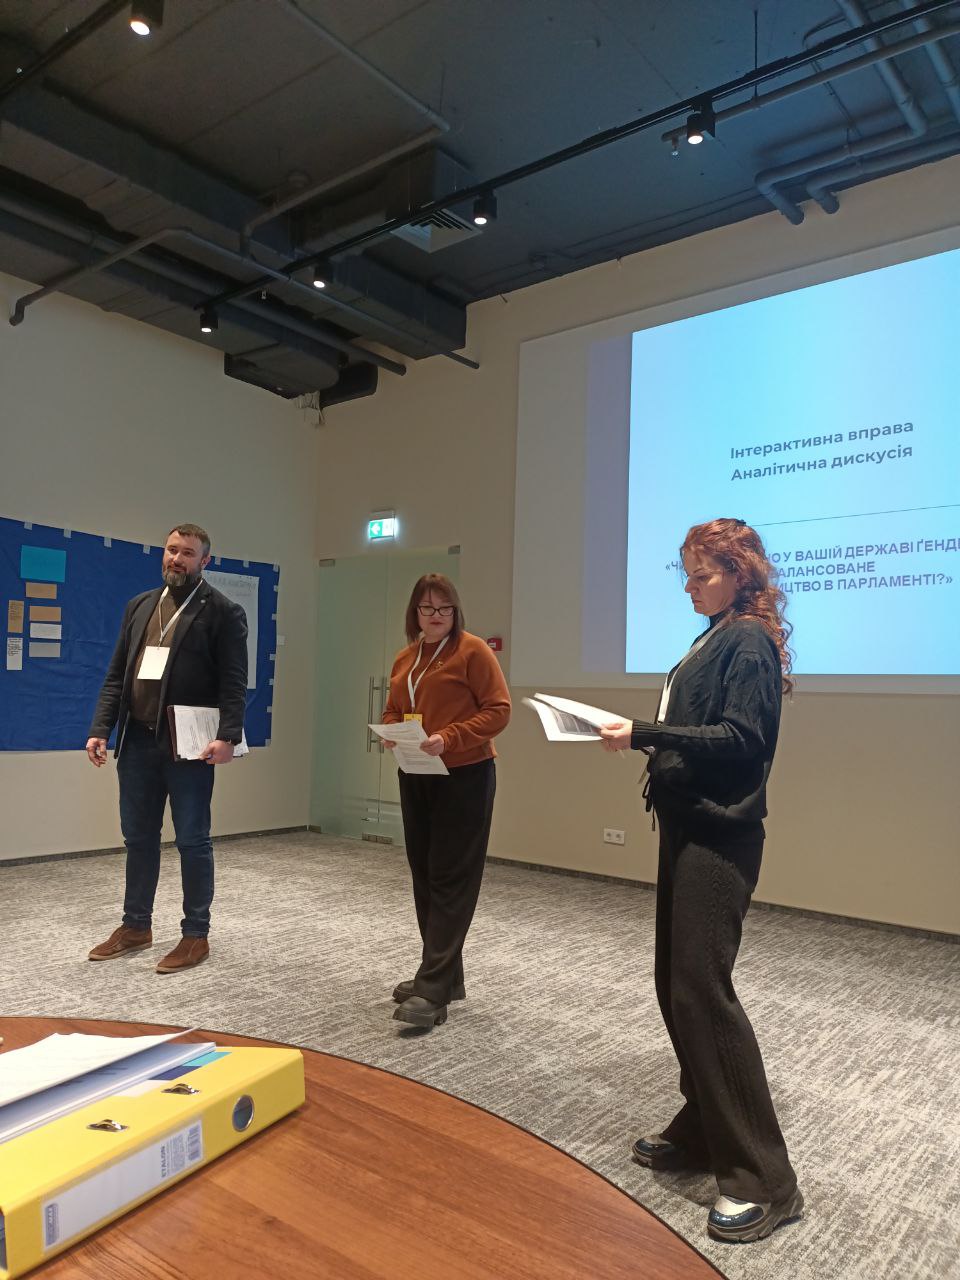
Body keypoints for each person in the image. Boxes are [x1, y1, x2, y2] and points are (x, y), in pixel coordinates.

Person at [599, 518, 802, 1244]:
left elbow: (744, 740)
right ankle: (705, 1125)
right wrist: (650, 743)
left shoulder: (747, 641)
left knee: (701, 990)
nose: (689, 587)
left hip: (720, 837)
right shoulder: (714, 635)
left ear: (741, 574)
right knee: (674, 984)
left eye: (702, 574)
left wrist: (646, 735)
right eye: (684, 574)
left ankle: (766, 1180)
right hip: (687, 828)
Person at [85, 523, 247, 974]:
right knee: (138, 838)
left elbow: (234, 681)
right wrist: (101, 727)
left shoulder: (224, 612)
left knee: (192, 840)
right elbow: (116, 674)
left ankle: (196, 934)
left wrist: (228, 736)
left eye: (188, 553)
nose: (177, 559)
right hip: (137, 740)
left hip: (188, 745)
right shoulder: (140, 605)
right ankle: (136, 925)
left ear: (205, 561)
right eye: (172, 550)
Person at [381, 574, 511, 1029]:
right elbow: (394, 707)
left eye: (444, 608)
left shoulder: (472, 651)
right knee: (426, 874)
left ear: (456, 612)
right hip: (417, 771)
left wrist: (449, 737)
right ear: (414, 613)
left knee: (452, 878)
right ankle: (443, 975)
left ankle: (433, 987)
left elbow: (499, 710)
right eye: (427, 608)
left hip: (465, 774)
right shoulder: (407, 657)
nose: (436, 616)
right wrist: (392, 730)